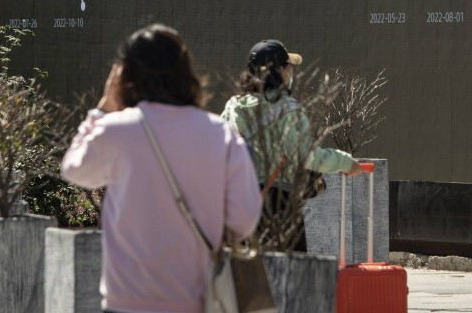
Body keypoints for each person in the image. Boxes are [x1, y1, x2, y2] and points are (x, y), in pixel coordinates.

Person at [61, 25, 261, 313]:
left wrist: (103, 109)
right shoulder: (221, 134)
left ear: (125, 77)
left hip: (125, 302)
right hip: (197, 300)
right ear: (186, 72)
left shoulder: (116, 130)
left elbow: (74, 169)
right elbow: (243, 220)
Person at [221, 38, 363, 252]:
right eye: (289, 66)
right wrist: (345, 162)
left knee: (246, 276)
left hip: (241, 204)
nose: (292, 71)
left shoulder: (233, 107)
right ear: (280, 71)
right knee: (290, 277)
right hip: (280, 205)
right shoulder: (288, 108)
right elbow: (305, 156)